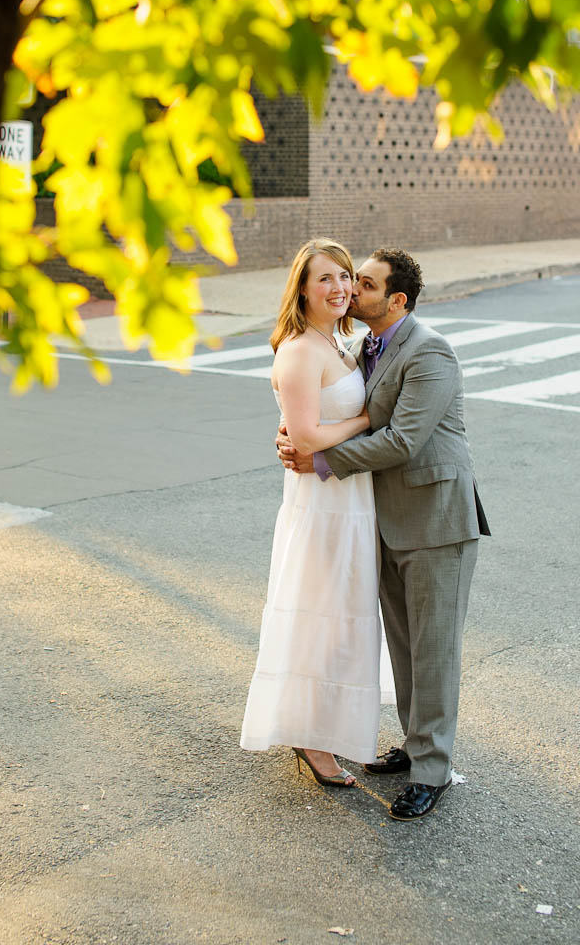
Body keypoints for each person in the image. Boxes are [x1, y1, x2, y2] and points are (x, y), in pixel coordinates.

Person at [277, 248, 489, 820]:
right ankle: (415, 745)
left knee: (434, 650)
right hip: (384, 520)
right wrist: (302, 434)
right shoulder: (361, 347)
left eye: (362, 283)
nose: (350, 289)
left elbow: (402, 441)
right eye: (346, 278)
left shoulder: (430, 352)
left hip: (435, 520)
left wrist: (321, 460)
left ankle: (432, 770)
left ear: (395, 300)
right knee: (403, 645)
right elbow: (320, 400)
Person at [240, 239, 390, 788]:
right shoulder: (302, 349)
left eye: (346, 277)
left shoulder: (338, 343)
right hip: (323, 507)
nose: (340, 288)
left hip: (349, 501)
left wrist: (356, 423)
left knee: (345, 619)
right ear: (302, 288)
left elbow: (309, 429)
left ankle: (333, 727)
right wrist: (366, 420)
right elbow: (305, 436)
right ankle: (309, 735)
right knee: (322, 618)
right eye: (325, 278)